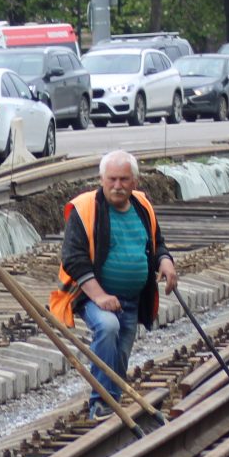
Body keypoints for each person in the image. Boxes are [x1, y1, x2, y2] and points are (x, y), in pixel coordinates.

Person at [49, 150, 178, 418]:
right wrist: (99, 296)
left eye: (124, 180)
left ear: (135, 181)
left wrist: (164, 261)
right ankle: (100, 403)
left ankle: (112, 404)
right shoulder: (86, 209)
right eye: (112, 180)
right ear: (101, 179)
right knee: (108, 327)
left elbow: (156, 243)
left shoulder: (142, 206)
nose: (117, 186)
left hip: (132, 299)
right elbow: (74, 258)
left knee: (121, 353)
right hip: (94, 296)